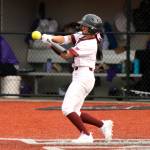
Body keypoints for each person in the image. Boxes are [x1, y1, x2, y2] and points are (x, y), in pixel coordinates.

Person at [41, 14, 113, 143]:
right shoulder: (84, 35)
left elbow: (66, 55)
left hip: (84, 77)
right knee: (75, 111)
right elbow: (65, 39)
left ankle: (86, 135)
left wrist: (50, 44)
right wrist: (50, 37)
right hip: (81, 75)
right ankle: (103, 124)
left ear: (92, 29)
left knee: (67, 109)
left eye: (86, 26)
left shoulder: (90, 43)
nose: (82, 27)